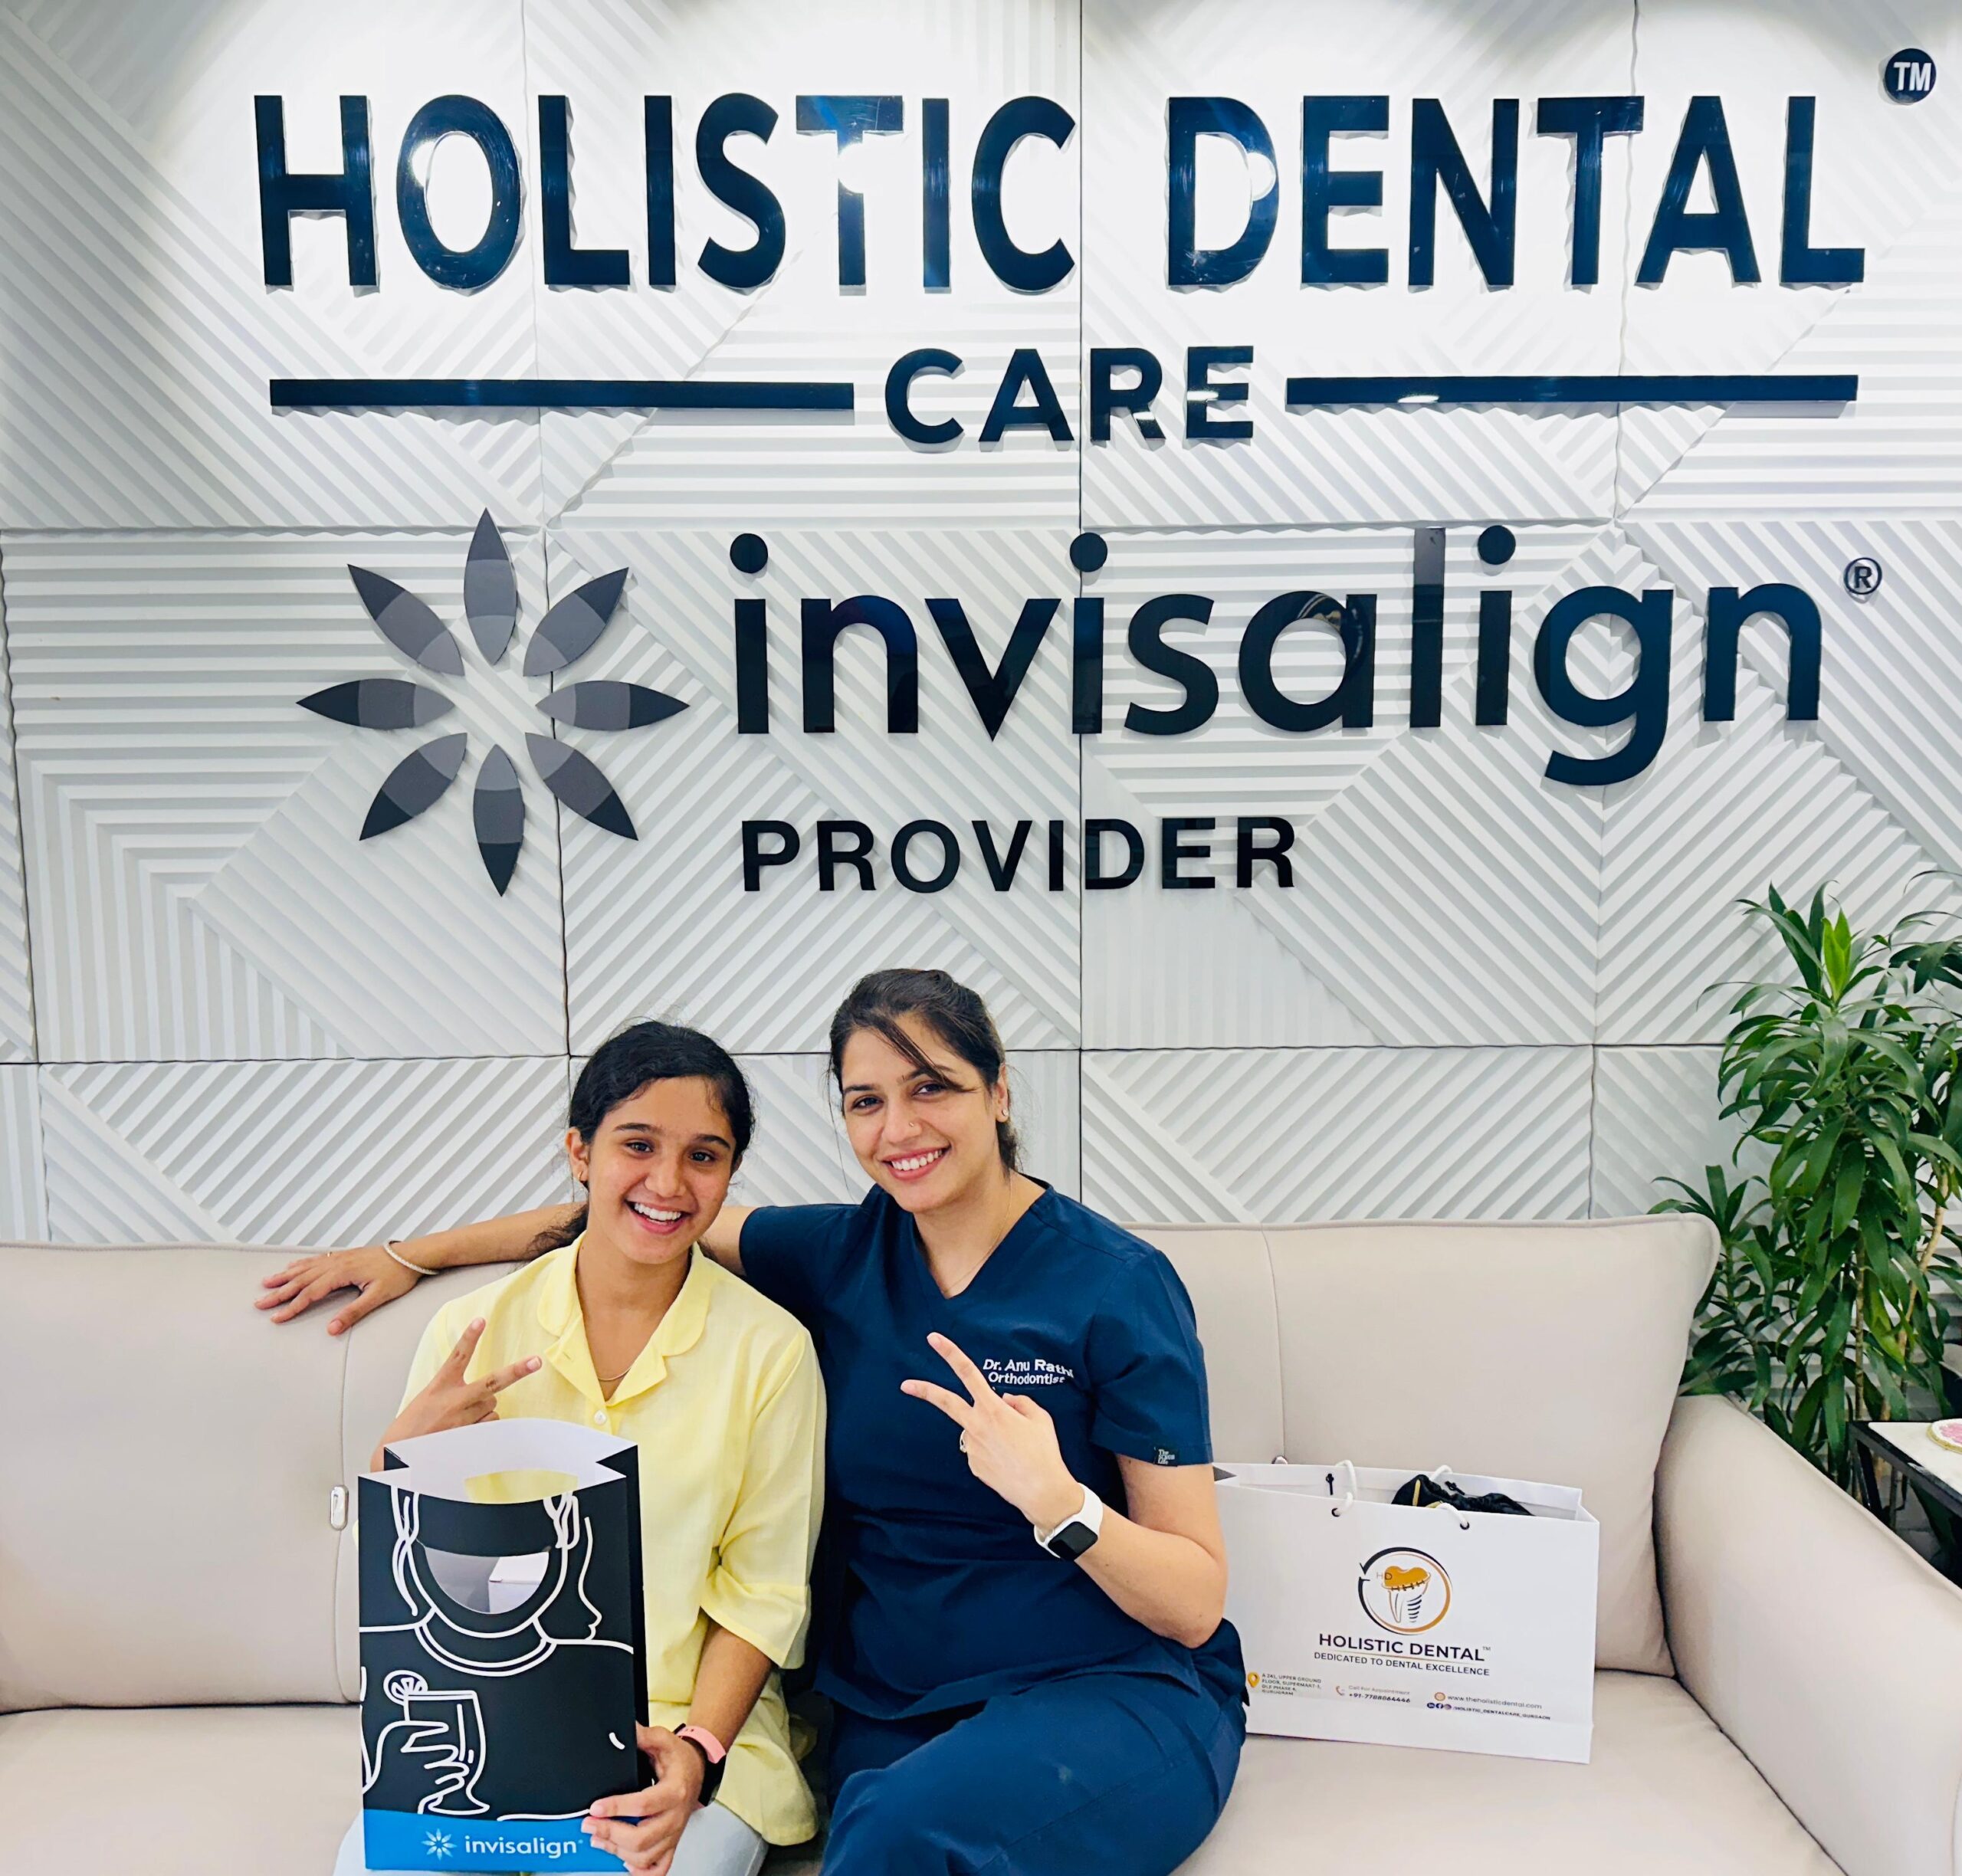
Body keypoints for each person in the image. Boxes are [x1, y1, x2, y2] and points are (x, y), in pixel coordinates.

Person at [271, 970, 1243, 1876]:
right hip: (899, 1706)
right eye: (865, 1101)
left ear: (997, 1092)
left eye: (932, 1088)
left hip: (1100, 1686)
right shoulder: (838, 1252)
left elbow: (1195, 1600)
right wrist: (413, 1255)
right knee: (884, 1820)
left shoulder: (1115, 1285)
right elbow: (639, 1214)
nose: (899, 1127)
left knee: (896, 1833)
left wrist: (1062, 1503)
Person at [330, 1022, 825, 1876]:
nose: (668, 1183)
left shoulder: (771, 1352)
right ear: (580, 1152)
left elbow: (763, 1595)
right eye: (638, 1144)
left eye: (704, 1156)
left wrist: (697, 1755)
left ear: (730, 1173)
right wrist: (396, 1463)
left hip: (682, 1740)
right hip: (488, 1729)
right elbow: (410, 1585)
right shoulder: (468, 1332)